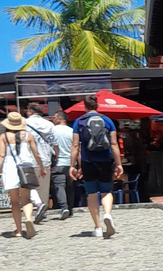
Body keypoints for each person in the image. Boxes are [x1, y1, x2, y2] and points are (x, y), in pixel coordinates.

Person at [70, 95, 122, 238]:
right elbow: (114, 144)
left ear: (85, 106)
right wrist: (119, 164)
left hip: (87, 162)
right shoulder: (107, 121)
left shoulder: (79, 122)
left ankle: (97, 227)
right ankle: (107, 214)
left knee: (91, 194)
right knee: (106, 191)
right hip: (105, 161)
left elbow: (75, 146)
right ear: (97, 105)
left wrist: (72, 165)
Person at [0, 112, 46, 237]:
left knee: (14, 201)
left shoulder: (3, 136)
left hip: (10, 168)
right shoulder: (28, 135)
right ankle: (28, 219)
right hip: (26, 167)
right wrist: (42, 167)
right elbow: (36, 154)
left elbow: (2, 155)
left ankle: (19, 230)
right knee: (26, 198)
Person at [26, 102, 58, 223]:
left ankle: (38, 206)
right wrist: (57, 158)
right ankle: (42, 211)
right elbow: (55, 143)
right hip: (46, 158)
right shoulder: (49, 124)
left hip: (30, 158)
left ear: (31, 111)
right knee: (44, 187)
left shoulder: (25, 123)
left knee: (29, 185)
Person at [51, 111, 74, 219]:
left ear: (60, 118)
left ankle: (64, 207)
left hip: (58, 162)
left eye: (55, 117)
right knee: (70, 186)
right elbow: (76, 148)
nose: (53, 119)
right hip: (70, 163)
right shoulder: (72, 131)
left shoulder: (53, 131)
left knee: (60, 186)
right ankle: (70, 208)